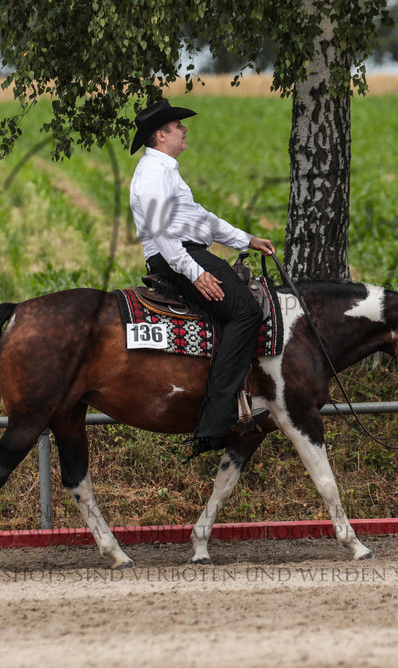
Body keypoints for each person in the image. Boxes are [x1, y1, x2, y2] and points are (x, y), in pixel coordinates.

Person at [129, 99, 274, 456]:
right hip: (176, 258)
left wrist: (246, 240)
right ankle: (218, 418)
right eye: (178, 126)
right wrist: (195, 274)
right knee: (245, 312)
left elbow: (201, 218)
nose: (184, 129)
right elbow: (163, 231)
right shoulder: (152, 174)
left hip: (183, 254)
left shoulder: (166, 171)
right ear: (161, 135)